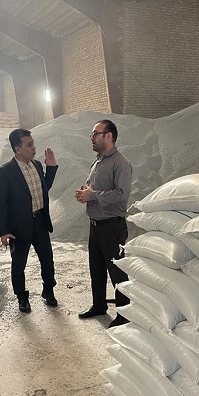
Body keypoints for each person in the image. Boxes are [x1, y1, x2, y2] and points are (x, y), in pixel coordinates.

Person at [75, 119, 132, 328]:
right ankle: (99, 305)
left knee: (117, 270)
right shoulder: (98, 161)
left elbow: (121, 194)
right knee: (96, 268)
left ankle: (124, 313)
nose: (91, 137)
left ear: (109, 136)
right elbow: (94, 188)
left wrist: (93, 195)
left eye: (95, 133)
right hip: (96, 224)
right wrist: (85, 192)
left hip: (112, 226)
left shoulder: (120, 163)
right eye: (92, 134)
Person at [0, 128, 58, 313]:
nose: (33, 147)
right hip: (19, 227)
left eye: (33, 143)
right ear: (17, 149)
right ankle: (22, 297)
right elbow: (2, 203)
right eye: (29, 145)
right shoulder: (5, 172)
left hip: (40, 222)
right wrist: (4, 231)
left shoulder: (37, 165)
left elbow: (44, 188)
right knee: (19, 265)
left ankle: (48, 290)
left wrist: (51, 168)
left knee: (47, 260)